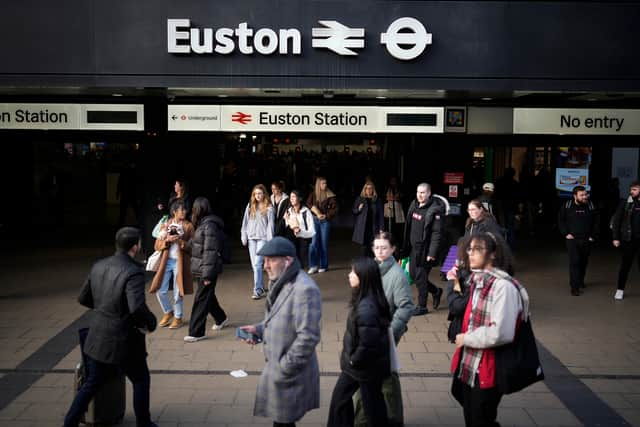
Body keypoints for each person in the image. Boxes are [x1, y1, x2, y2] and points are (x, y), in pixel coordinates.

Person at [64, 227, 158, 427]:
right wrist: (150, 323)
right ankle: (144, 423)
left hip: (97, 335)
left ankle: (69, 423)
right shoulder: (133, 272)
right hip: (124, 340)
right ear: (135, 246)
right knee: (141, 380)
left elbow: (83, 297)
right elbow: (136, 308)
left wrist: (104, 310)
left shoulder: (99, 265)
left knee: (91, 383)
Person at [238, 237, 322, 427]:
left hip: (291, 375)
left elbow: (308, 337)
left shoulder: (305, 289)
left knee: (283, 423)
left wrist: (284, 367)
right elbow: (279, 317)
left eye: (271, 260)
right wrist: (259, 330)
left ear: (288, 260)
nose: (265, 265)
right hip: (279, 370)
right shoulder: (279, 282)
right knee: (283, 422)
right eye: (265, 260)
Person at [450, 232, 528, 427]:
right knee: (470, 413)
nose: (471, 254)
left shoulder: (504, 287)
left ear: (493, 254)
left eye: (478, 249)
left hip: (488, 367)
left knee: (480, 418)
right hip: (469, 364)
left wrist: (465, 338)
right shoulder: (476, 280)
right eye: (469, 249)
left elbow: (501, 333)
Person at [353, 232, 414, 427]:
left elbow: (406, 306)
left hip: (384, 333)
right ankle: (377, 417)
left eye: (384, 248)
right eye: (376, 247)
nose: (380, 251)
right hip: (370, 331)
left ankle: (385, 418)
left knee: (383, 377)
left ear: (393, 249)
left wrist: (391, 331)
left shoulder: (397, 274)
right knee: (379, 376)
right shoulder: (372, 268)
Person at [328, 257, 391, 427]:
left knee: (341, 401)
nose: (349, 275)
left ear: (363, 277)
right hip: (366, 367)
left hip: (361, 367)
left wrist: (353, 359)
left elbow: (368, 344)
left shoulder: (366, 308)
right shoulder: (368, 300)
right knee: (372, 405)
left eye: (353, 272)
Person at [184, 197, 228, 343]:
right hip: (201, 267)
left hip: (207, 269)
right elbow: (196, 245)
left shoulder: (209, 226)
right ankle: (221, 317)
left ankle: (196, 332)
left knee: (201, 299)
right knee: (207, 295)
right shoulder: (203, 224)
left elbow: (210, 251)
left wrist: (207, 275)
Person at [149, 200, 194, 329]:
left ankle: (178, 317)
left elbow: (193, 246)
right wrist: (167, 240)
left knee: (178, 290)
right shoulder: (166, 224)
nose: (184, 212)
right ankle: (168, 312)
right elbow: (157, 245)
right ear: (174, 212)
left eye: (185, 210)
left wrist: (181, 242)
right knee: (160, 290)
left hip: (180, 262)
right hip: (166, 261)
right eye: (182, 210)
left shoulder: (188, 226)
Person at [402, 183, 445, 316]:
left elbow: (436, 234)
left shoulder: (434, 210)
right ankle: (436, 291)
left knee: (420, 276)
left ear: (429, 193)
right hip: (414, 248)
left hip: (425, 250)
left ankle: (422, 306)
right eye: (418, 192)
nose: (420, 195)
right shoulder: (413, 205)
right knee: (414, 276)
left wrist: (432, 253)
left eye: (423, 192)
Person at [558, 186, 599, 296]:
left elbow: (596, 222)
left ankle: (580, 281)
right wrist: (566, 233)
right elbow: (561, 220)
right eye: (582, 195)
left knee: (584, 262)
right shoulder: (567, 206)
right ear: (575, 196)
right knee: (575, 262)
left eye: (586, 194)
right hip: (572, 240)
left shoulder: (590, 205)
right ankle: (574, 287)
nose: (585, 197)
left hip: (587, 239)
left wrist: (593, 236)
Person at [241, 184, 275, 299]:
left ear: (264, 194)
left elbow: (270, 225)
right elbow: (245, 222)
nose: (257, 196)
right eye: (255, 194)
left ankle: (257, 290)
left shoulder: (269, 207)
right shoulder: (250, 205)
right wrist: (243, 236)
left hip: (263, 238)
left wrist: (270, 240)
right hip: (251, 238)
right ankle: (260, 286)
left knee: (257, 263)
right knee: (255, 266)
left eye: (259, 193)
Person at [611, 181, 640, 300]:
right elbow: (616, 221)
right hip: (628, 240)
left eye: (634, 189)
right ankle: (620, 290)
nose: (631, 191)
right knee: (625, 266)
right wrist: (616, 237)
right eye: (631, 189)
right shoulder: (625, 203)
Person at [307, 176, 338, 274]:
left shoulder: (330, 195)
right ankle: (313, 265)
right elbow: (308, 204)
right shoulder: (313, 194)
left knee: (323, 244)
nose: (325, 185)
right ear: (318, 184)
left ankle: (324, 265)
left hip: (325, 222)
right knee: (313, 244)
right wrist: (316, 212)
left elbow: (335, 209)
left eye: (325, 183)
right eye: (323, 183)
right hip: (315, 220)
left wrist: (326, 215)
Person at [284, 189, 315, 269]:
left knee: (301, 265)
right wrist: (287, 220)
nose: (291, 199)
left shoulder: (306, 212)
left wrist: (301, 231)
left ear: (300, 198)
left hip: (303, 241)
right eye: (290, 197)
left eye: (294, 196)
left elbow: (312, 232)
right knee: (293, 264)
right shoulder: (288, 211)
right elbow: (288, 228)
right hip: (292, 241)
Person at [352, 181, 384, 257]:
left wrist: (381, 228)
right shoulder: (360, 199)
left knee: (374, 248)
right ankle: (365, 266)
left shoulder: (377, 200)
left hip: (374, 227)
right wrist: (359, 209)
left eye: (370, 188)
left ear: (373, 190)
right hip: (363, 228)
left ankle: (372, 266)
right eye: (367, 188)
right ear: (364, 189)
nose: (369, 190)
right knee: (364, 249)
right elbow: (354, 211)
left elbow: (381, 216)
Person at [384, 177, 405, 246]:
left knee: (398, 229)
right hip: (389, 212)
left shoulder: (399, 189)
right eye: (392, 181)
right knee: (390, 228)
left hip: (398, 212)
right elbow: (386, 198)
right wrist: (394, 198)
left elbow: (400, 197)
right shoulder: (387, 188)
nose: (393, 182)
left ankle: (398, 244)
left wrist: (392, 198)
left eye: (394, 181)